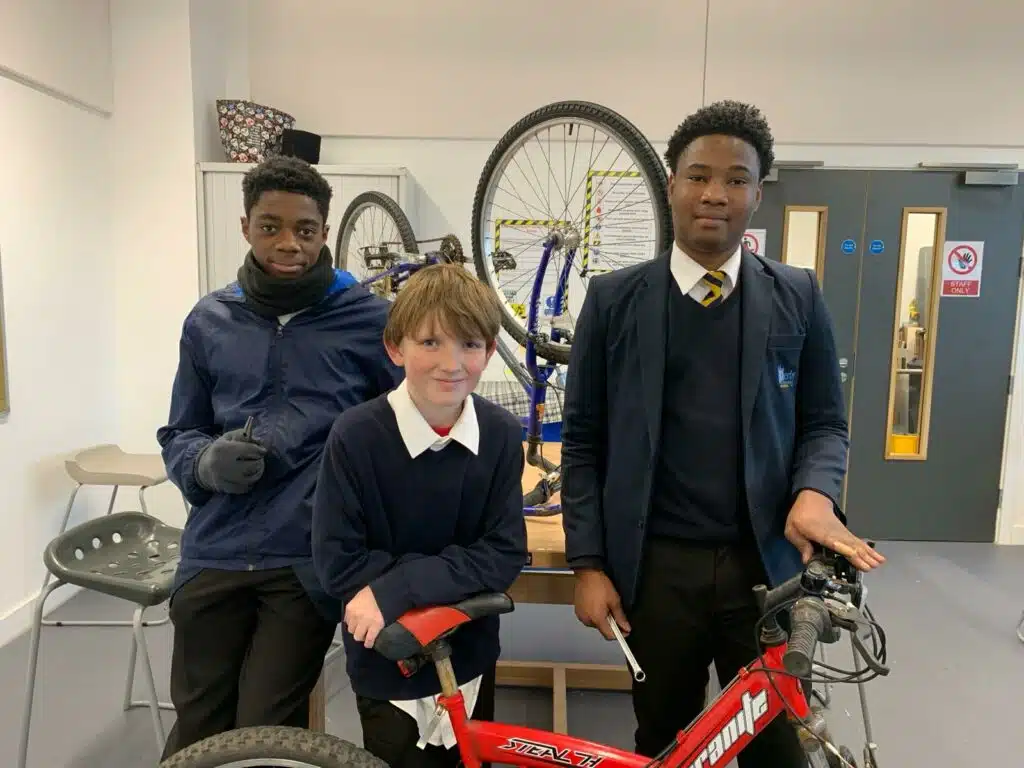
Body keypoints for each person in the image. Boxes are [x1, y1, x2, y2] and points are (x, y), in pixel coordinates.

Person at [560, 100, 885, 766]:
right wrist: (589, 565)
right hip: (656, 574)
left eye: (736, 179)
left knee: (778, 750)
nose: (715, 193)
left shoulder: (797, 295)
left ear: (757, 195)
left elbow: (824, 423)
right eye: (698, 175)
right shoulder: (614, 300)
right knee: (666, 745)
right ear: (672, 185)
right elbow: (584, 442)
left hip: (766, 568)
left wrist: (814, 495)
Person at [156, 155, 403, 759]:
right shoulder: (210, 320)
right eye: (271, 227)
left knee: (266, 726)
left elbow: (399, 430)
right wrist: (203, 462)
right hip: (215, 549)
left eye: (306, 229)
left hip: (305, 557)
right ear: (245, 227)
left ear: (324, 231)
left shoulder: (370, 321)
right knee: (199, 725)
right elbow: (178, 431)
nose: (289, 243)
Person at [312, 263, 528, 768]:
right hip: (389, 660)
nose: (450, 364)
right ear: (396, 348)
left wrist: (395, 587)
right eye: (430, 342)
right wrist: (440, 579)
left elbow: (503, 552)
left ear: (490, 352)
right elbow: (337, 561)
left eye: (470, 344)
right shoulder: (355, 437)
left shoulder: (498, 435)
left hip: (470, 652)